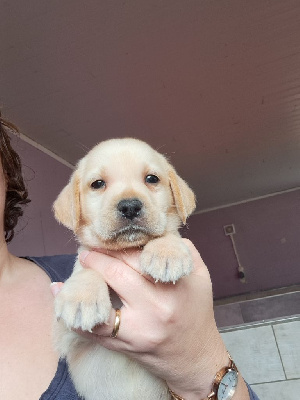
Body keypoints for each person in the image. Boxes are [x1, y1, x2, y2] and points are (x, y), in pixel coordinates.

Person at [0, 114, 259, 400]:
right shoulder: (81, 272)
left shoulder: (174, 256)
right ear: (75, 206)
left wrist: (201, 363)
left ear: (176, 196)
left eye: (151, 179)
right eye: (98, 184)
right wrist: (88, 283)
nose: (129, 202)